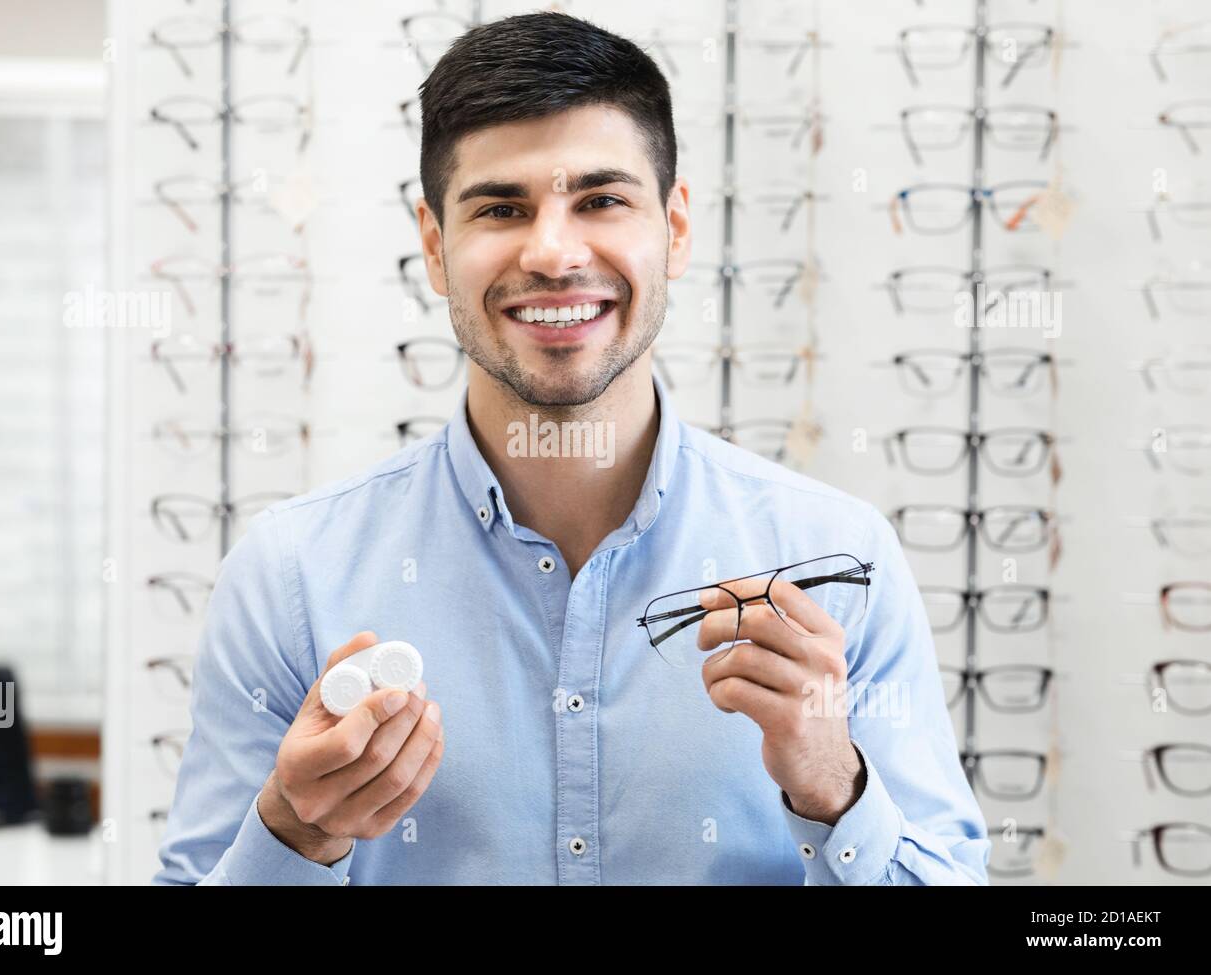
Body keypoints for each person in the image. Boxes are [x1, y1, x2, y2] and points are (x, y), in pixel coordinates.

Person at [154, 11, 990, 885]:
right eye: (502, 208)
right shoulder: (292, 577)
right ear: (436, 248)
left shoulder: (844, 562)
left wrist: (834, 788)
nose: (553, 253)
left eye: (601, 199)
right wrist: (293, 837)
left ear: (675, 227)